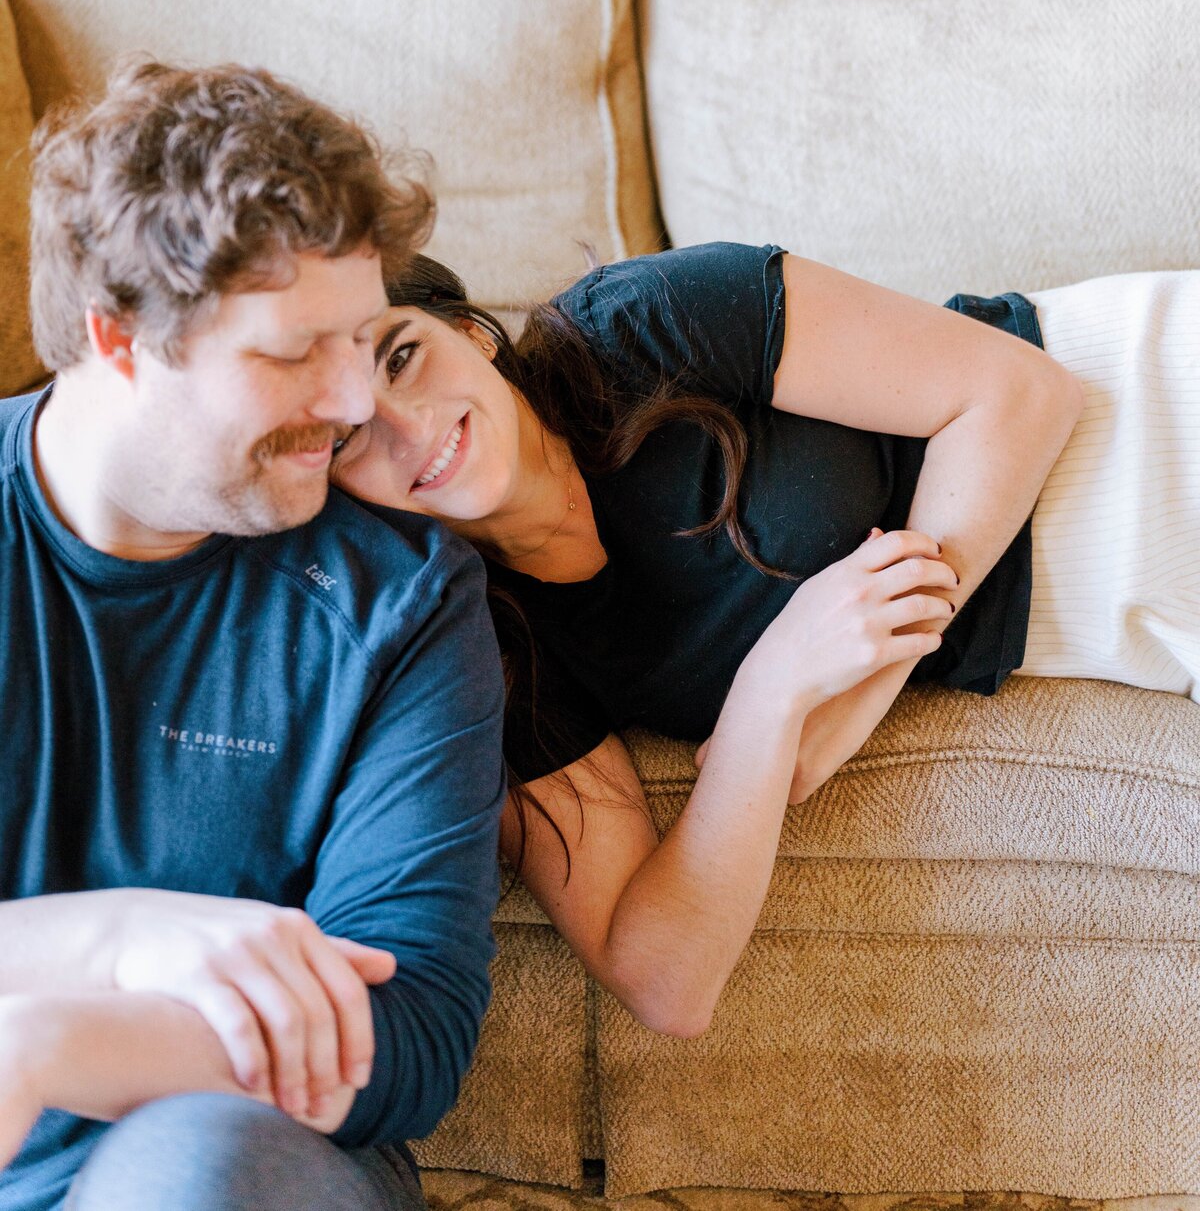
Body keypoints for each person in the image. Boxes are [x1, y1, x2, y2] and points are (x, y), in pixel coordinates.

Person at [331, 239, 1199, 1038]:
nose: (407, 428)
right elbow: (666, 980)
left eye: (401, 357)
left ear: (471, 332)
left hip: (1148, 404)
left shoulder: (634, 325)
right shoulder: (488, 648)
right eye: (346, 435)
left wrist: (857, 695)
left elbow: (1025, 390)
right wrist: (770, 698)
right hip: (1144, 627)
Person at [0, 61, 507, 1211]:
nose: (355, 401)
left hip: (242, 1167)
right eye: (292, 351)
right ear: (120, 336)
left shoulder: (403, 604)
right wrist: (129, 939)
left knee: (194, 1168)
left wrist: (47, 1045)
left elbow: (410, 1028)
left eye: (364, 338)